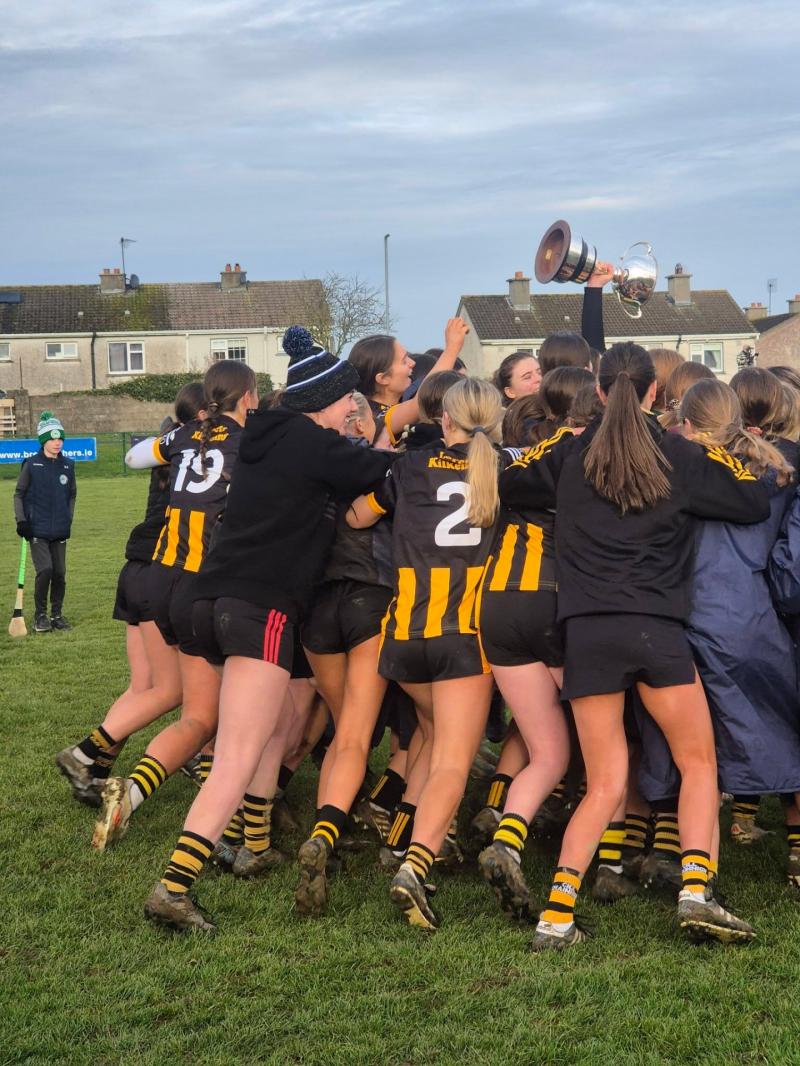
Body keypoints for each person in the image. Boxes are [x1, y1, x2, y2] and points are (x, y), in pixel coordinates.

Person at [500, 342, 770, 949]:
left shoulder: (570, 452)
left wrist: (561, 444)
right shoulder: (677, 451)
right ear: (656, 393)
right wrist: (708, 449)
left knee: (602, 783)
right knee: (699, 761)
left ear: (598, 391)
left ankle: (557, 914)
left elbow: (512, 476)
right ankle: (697, 891)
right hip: (657, 627)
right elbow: (752, 497)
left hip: (589, 631)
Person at [143, 338, 393, 932]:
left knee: (251, 733)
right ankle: (174, 888)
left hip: (210, 599)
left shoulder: (265, 434)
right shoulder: (314, 442)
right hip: (263, 604)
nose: (351, 413)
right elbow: (382, 468)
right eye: (345, 403)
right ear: (328, 401)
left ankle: (250, 842)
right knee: (238, 752)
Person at [347, 377, 503, 930]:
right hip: (464, 637)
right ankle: (416, 866)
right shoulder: (504, 469)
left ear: (444, 419)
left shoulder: (408, 467)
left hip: (406, 634)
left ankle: (400, 838)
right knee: (453, 765)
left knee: (434, 738)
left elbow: (358, 516)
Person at [636, 378, 800, 881]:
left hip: (674, 613)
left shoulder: (671, 465)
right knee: (781, 729)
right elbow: (789, 568)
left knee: (680, 748)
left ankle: (677, 859)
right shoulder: (779, 472)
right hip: (743, 615)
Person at [90, 361, 257, 851]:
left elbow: (135, 458)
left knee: (206, 706)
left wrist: (186, 435)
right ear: (247, 397)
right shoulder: (251, 444)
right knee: (210, 714)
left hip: (163, 578)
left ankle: (138, 794)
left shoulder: (185, 437)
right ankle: (227, 816)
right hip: (205, 584)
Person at [55, 383, 204, 808]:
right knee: (171, 691)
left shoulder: (169, 445)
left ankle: (96, 771)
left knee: (143, 686)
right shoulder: (202, 453)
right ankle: (85, 752)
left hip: (134, 570)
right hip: (160, 571)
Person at [347, 319, 468, 446]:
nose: (412, 363)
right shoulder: (374, 414)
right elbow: (420, 402)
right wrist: (452, 347)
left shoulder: (395, 405)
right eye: (404, 361)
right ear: (383, 379)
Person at [14, 411, 76, 633]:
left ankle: (56, 615)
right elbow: (18, 494)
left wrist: (68, 518)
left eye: (60, 439)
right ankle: (40, 616)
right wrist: (22, 521)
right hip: (36, 529)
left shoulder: (68, 465)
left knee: (60, 573)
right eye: (52, 438)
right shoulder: (30, 465)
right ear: (43, 441)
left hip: (60, 529)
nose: (57, 443)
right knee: (46, 570)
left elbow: (72, 495)